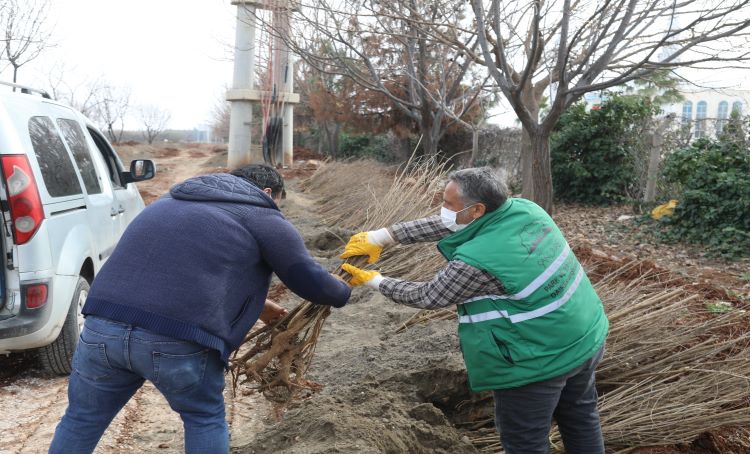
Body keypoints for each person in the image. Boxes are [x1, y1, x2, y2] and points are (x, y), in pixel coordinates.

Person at [49, 164, 351, 454]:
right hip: (176, 340)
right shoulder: (262, 215)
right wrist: (346, 287)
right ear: (269, 192)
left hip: (103, 328)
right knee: (203, 419)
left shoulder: (167, 203)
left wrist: (260, 305)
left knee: (81, 419)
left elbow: (179, 269)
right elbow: (311, 282)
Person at [340, 167, 608, 454]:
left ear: (477, 209)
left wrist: (376, 281)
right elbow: (453, 224)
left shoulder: (477, 261)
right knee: (580, 417)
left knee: (526, 444)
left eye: (447, 204)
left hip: (539, 361)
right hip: (585, 335)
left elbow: (429, 295)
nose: (441, 209)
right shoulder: (525, 211)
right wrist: (384, 236)